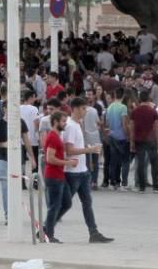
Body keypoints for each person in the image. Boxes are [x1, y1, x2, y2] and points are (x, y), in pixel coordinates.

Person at [58, 97, 114, 244]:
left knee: (87, 203)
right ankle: (46, 228)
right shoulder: (70, 126)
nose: (85, 112)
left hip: (82, 171)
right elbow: (69, 150)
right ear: (75, 109)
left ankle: (93, 232)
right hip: (72, 172)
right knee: (65, 204)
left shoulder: (77, 124)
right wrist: (90, 149)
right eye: (83, 109)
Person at [42, 110, 78, 243]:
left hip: (59, 176)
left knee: (66, 203)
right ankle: (48, 234)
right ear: (55, 122)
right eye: (63, 121)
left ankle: (46, 229)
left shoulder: (57, 136)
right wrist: (68, 162)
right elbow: (50, 159)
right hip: (53, 176)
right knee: (54, 206)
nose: (65, 124)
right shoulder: (52, 137)